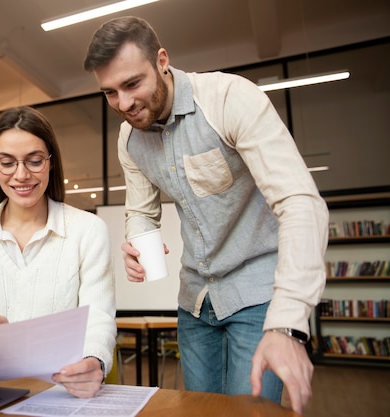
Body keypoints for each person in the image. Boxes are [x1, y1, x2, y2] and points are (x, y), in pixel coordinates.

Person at [83, 16, 328, 414]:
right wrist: (138, 239)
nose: (124, 104)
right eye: (109, 92)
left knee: (250, 412)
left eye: (132, 84)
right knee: (198, 412)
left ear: (162, 60)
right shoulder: (129, 140)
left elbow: (301, 202)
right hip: (195, 301)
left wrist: (287, 324)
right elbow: (141, 210)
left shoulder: (229, 98)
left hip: (258, 295)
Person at [0, 106, 116, 398]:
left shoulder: (88, 229)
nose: (21, 175)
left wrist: (95, 361)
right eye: (7, 163)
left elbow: (98, 316)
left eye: (35, 161)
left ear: (51, 162)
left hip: (64, 390)